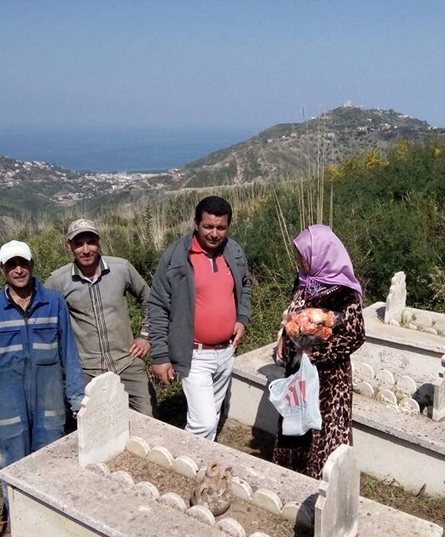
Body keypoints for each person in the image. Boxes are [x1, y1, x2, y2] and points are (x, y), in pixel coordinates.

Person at [0, 240, 85, 516]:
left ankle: (53, 517)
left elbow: (69, 353)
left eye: (23, 263)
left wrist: (77, 397)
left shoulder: (53, 303)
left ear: (31, 264)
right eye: (11, 265)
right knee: (14, 466)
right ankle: (20, 521)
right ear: (2, 269)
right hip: (7, 404)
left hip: (49, 399)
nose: (18, 270)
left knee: (51, 461)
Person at [148, 195, 251, 440]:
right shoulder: (175, 257)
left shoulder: (234, 251)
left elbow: (245, 287)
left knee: (212, 415)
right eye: (208, 226)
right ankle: (191, 466)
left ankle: (206, 471)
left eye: (221, 227)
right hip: (193, 354)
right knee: (203, 423)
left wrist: (242, 318)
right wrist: (161, 356)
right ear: (195, 223)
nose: (214, 234)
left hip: (226, 351)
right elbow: (158, 305)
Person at [273, 224, 365, 479]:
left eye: (303, 254)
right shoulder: (303, 281)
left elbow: (355, 336)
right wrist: (285, 334)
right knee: (295, 425)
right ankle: (291, 477)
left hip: (329, 380)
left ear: (320, 254)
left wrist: (317, 354)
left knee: (324, 430)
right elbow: (292, 315)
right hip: (298, 372)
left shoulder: (344, 293)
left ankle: (323, 486)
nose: (299, 259)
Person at [45, 218, 156, 416]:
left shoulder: (121, 269)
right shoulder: (58, 281)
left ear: (99, 242)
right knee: (94, 428)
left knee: (149, 419)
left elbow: (150, 300)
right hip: (88, 371)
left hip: (127, 362)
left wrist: (146, 336)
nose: (86, 250)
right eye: (78, 244)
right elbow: (45, 320)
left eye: (91, 242)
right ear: (68, 246)